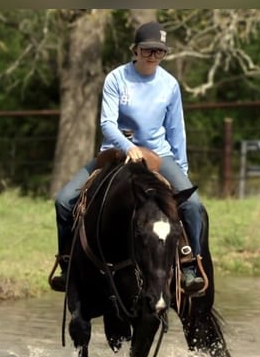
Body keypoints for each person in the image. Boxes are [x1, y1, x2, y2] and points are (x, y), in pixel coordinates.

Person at [50, 21, 205, 295]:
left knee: (193, 205)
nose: (153, 56)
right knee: (64, 201)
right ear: (135, 50)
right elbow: (107, 123)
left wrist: (182, 169)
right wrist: (126, 145)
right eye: (147, 50)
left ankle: (191, 264)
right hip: (115, 152)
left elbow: (175, 130)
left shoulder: (170, 85)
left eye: (160, 52)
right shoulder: (116, 78)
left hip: (159, 156)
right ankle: (67, 263)